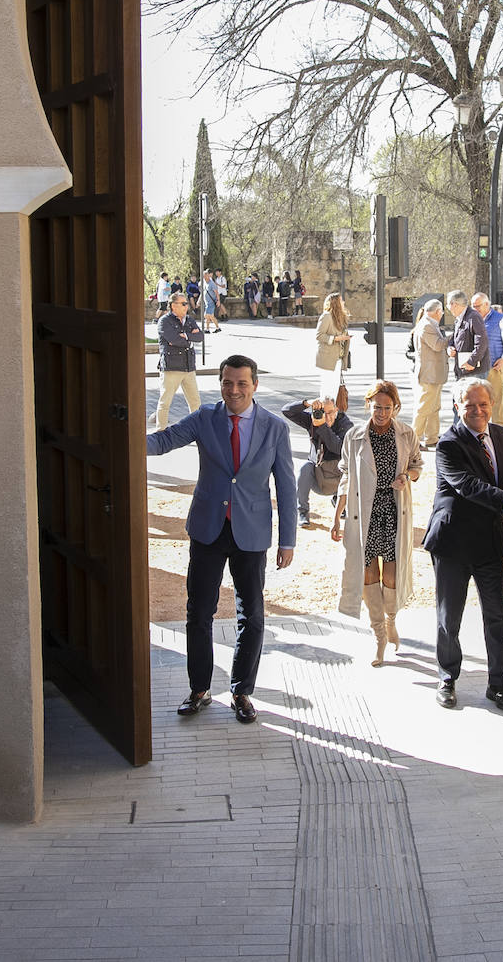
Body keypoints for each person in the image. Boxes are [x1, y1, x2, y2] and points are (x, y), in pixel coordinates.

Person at [146, 354, 297, 725]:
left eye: (242, 383)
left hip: (252, 532)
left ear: (255, 385)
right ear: (221, 384)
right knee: (198, 612)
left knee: (253, 615)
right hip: (208, 529)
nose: (234, 390)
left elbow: (287, 488)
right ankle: (199, 690)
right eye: (228, 383)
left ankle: (242, 691)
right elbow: (163, 441)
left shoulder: (274, 428)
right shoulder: (205, 418)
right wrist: (118, 434)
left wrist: (287, 540)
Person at [423, 378, 503, 711]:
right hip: (453, 542)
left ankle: (498, 686)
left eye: (483, 403)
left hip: (489, 543)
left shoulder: (499, 435)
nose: (477, 410)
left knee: (497, 616)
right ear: (457, 406)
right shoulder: (448, 444)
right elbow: (467, 485)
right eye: (469, 404)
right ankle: (447, 678)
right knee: (449, 617)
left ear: (492, 404)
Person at [331, 380, 422, 666]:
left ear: (395, 408)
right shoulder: (355, 436)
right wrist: (337, 517)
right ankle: (379, 636)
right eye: (376, 406)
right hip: (365, 512)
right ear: (367, 404)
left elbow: (418, 465)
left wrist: (407, 477)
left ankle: (392, 620)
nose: (381, 412)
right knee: (368, 575)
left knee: (392, 577)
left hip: (393, 511)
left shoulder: (407, 434)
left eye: (387, 407)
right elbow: (345, 474)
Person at [282, 396, 353, 527]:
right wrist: (307, 403)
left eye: (330, 412)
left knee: (354, 467)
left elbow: (338, 448)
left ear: (337, 410)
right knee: (305, 468)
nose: (326, 417)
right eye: (323, 412)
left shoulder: (345, 424)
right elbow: (287, 411)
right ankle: (302, 512)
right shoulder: (314, 418)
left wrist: (322, 427)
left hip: (339, 477)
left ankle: (341, 501)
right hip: (318, 476)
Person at [151, 292, 203, 429]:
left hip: (188, 367)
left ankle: (198, 431)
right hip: (171, 367)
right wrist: (190, 339)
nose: (186, 306)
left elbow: (201, 337)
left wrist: (186, 336)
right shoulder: (164, 321)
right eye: (183, 304)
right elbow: (173, 340)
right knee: (165, 402)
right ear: (173, 306)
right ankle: (160, 431)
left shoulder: (189, 320)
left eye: (186, 303)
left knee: (195, 402)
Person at [471, 292, 503, 428]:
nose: (475, 309)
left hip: (494, 367)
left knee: (498, 403)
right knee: (477, 403)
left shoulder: (501, 320)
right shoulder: (472, 319)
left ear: (486, 304)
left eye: (477, 306)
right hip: (476, 368)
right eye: (473, 306)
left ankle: (501, 432)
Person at [411, 298, 449, 449]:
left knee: (434, 408)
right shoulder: (427, 325)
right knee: (424, 408)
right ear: (438, 312)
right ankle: (414, 440)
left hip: (433, 374)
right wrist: (452, 337)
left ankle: (432, 437)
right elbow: (438, 345)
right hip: (429, 374)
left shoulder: (428, 324)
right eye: (442, 312)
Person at [446, 289, 489, 380]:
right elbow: (455, 337)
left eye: (448, 305)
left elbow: (482, 342)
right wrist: (450, 347)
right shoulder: (459, 318)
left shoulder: (473, 317)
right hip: (463, 369)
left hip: (474, 371)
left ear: (454, 304)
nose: (448, 308)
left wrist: (471, 362)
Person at [315, 291, 351, 400]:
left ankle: (332, 412)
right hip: (327, 357)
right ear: (335, 303)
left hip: (338, 358)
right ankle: (323, 412)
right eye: (341, 300)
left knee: (334, 388)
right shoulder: (326, 316)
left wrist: (345, 336)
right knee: (327, 388)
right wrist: (335, 339)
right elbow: (319, 335)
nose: (343, 302)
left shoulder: (340, 318)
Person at [202, 269, 220, 333]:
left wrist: (218, 301)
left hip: (211, 302)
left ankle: (208, 329)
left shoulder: (212, 284)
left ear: (208, 276)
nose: (204, 277)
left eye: (205, 275)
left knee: (206, 315)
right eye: (203, 276)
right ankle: (214, 328)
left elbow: (216, 293)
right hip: (207, 302)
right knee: (210, 316)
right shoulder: (204, 283)